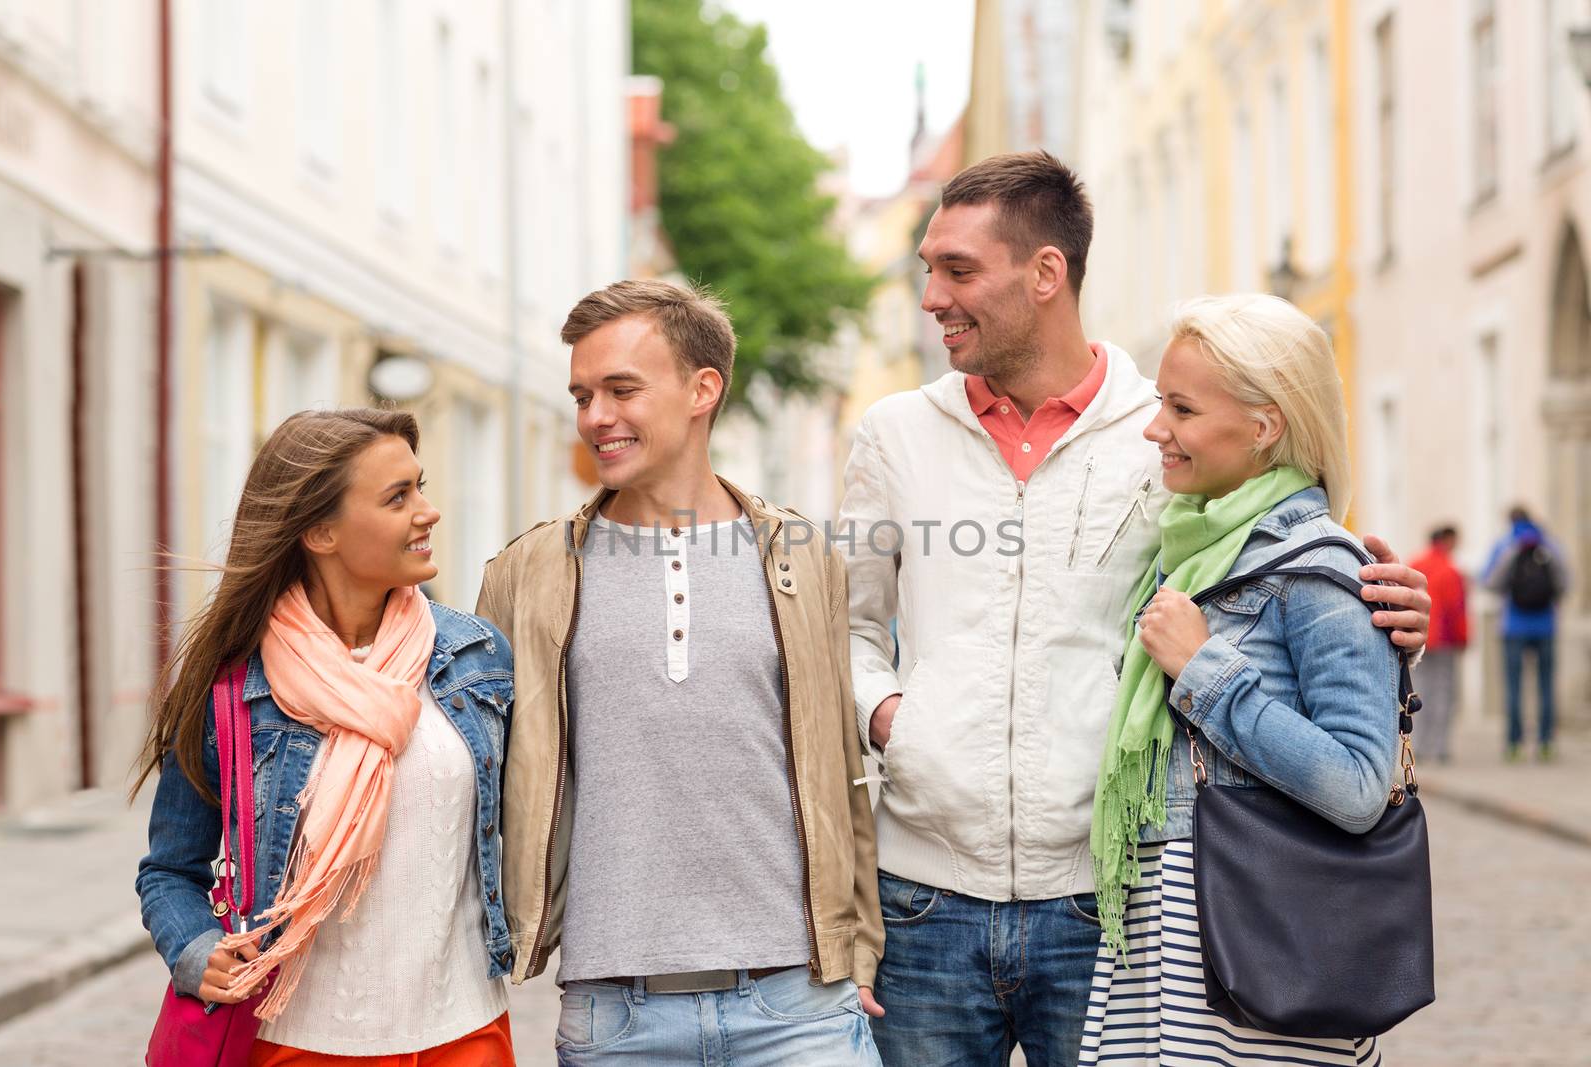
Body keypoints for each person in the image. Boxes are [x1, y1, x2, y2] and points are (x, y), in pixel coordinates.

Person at [838, 150, 1430, 1067]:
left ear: (1046, 274)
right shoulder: (895, 435)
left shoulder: (1164, 430)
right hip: (925, 898)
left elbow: (1267, 569)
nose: (931, 297)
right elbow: (850, 625)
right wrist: (890, 718)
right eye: (927, 269)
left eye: (957, 269)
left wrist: (1386, 611)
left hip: (1107, 902)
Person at [475, 280, 883, 1065]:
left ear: (704, 389)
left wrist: (857, 948)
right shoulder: (527, 572)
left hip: (800, 1007)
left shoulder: (798, 556)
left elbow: (840, 764)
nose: (596, 415)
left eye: (622, 389)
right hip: (614, 1017)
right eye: (583, 394)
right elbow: (478, 781)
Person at [1079, 293, 1404, 1064]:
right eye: (1161, 402)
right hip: (1170, 948)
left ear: (1265, 426)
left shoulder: (1321, 570)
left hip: (1257, 952)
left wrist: (1205, 671)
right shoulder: (1188, 551)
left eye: (1182, 409)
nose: (1157, 428)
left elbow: (1360, 786)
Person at [135, 409, 517, 1064]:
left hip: (468, 1034)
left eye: (419, 487)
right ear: (319, 530)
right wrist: (196, 950)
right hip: (298, 1042)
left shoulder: (477, 658)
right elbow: (170, 869)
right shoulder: (232, 690)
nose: (428, 511)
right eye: (399, 496)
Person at [1483, 506, 1570, 761]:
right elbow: (1566, 582)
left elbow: (1490, 582)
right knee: (1546, 686)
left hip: (1514, 627)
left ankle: (1514, 744)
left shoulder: (1506, 545)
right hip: (1546, 626)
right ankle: (1545, 743)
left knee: (1513, 687)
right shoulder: (1550, 545)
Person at [1411, 525, 1469, 762]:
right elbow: (1456, 609)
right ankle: (1441, 747)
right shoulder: (1450, 570)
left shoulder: (1415, 564)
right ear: (1446, 540)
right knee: (1444, 693)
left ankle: (1421, 747)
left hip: (1418, 638)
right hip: (1443, 641)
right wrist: (1463, 638)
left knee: (1420, 691)